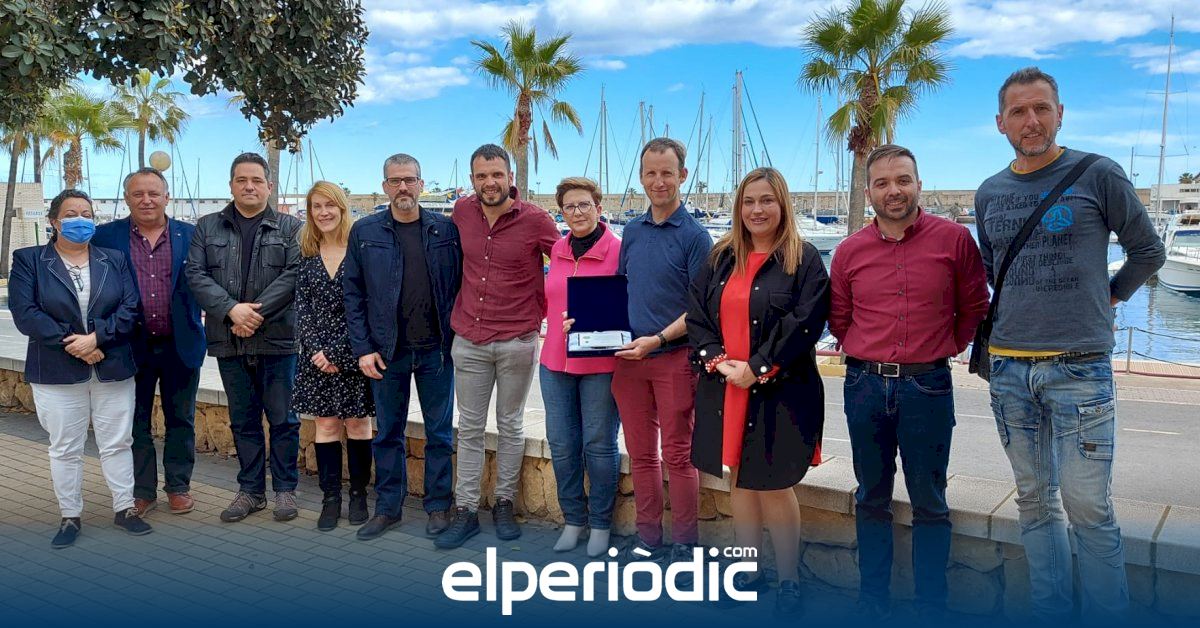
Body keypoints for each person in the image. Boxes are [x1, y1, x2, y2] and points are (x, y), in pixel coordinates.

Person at [976, 67, 1165, 621]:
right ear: (1000, 123)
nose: (1031, 120)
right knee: (1034, 502)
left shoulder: (1098, 174)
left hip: (1080, 368)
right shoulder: (989, 192)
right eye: (1019, 111)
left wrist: (1110, 295)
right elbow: (990, 270)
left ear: (1060, 114)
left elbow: (1148, 251)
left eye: (1041, 108)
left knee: (1088, 509)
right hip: (1010, 369)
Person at [829, 145, 990, 619]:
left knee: (930, 502)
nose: (893, 191)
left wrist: (946, 345)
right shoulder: (849, 251)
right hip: (864, 386)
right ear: (868, 192)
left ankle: (930, 607)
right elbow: (840, 318)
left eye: (902, 180)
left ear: (919, 184)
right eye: (882, 183)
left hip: (928, 387)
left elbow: (974, 306)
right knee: (870, 497)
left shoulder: (955, 240)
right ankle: (872, 601)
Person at [688, 167, 830, 616]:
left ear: (782, 204)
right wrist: (718, 361)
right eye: (749, 201)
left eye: (767, 200)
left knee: (775, 485)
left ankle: (789, 580)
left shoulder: (804, 259)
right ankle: (748, 572)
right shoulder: (720, 257)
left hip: (780, 390)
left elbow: (806, 322)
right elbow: (696, 316)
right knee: (740, 481)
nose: (757, 210)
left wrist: (758, 367)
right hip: (727, 386)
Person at [8, 189, 150, 547]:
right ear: (54, 221)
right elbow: (25, 313)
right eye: (71, 214)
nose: (81, 220)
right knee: (65, 447)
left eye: (87, 214)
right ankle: (70, 516)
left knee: (118, 442)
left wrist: (97, 338)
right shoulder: (29, 260)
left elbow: (130, 308)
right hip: (57, 369)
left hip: (111, 366)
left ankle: (125, 508)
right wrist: (76, 344)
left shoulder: (113, 259)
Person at [437, 144, 559, 549]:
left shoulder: (536, 220)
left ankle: (504, 503)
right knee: (469, 428)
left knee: (510, 425)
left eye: (496, 174)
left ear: (510, 177)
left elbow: (566, 263)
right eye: (481, 176)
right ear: (472, 179)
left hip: (517, 341)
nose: (489, 182)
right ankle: (466, 510)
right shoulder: (461, 212)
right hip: (469, 339)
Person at [344, 154, 462, 541]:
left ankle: (438, 506)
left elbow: (462, 284)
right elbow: (353, 294)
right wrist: (363, 348)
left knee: (439, 435)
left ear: (421, 184)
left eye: (410, 180)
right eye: (395, 181)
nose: (403, 188)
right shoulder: (365, 231)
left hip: (436, 351)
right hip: (386, 352)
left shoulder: (445, 230)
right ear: (385, 187)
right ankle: (387, 509)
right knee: (388, 434)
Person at [186, 152, 303, 524]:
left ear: (269, 185)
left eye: (256, 180)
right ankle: (250, 491)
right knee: (243, 420)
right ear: (231, 185)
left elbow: (294, 275)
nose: (249, 186)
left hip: (278, 341)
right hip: (229, 339)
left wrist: (252, 314)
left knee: (284, 419)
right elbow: (196, 275)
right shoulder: (207, 227)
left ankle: (285, 489)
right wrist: (231, 311)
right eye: (242, 180)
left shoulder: (291, 228)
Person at [613, 137, 712, 562]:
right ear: (641, 178)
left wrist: (658, 340)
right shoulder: (632, 232)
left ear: (682, 175)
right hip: (629, 363)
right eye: (651, 173)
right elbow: (620, 291)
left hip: (674, 359)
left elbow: (700, 308)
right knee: (641, 455)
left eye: (667, 173)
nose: (659, 181)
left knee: (678, 455)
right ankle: (648, 539)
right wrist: (585, 326)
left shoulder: (696, 236)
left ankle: (686, 544)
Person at [93, 167, 205, 517]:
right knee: (135, 421)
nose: (146, 200)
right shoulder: (105, 237)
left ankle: (178, 486)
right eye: (138, 194)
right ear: (127, 198)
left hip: (180, 344)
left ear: (166, 197)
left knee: (181, 419)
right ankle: (142, 491)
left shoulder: (192, 235)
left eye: (153, 193)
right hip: (129, 346)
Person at [541, 177, 622, 557]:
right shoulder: (557, 249)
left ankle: (601, 524)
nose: (577, 212)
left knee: (599, 445)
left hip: (600, 363)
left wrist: (593, 319)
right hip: (554, 361)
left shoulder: (619, 251)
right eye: (569, 206)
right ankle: (574, 520)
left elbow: (630, 306)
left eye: (584, 204)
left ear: (598, 208)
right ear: (562, 212)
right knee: (562, 444)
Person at [291, 181, 374, 532]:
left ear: (342, 208)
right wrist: (317, 353)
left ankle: (358, 495)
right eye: (316, 206)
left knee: (357, 424)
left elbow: (368, 308)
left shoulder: (360, 252)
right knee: (325, 426)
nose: (323, 212)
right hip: (316, 359)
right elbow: (302, 308)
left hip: (354, 354)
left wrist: (338, 353)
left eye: (330, 205)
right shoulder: (307, 253)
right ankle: (330, 498)